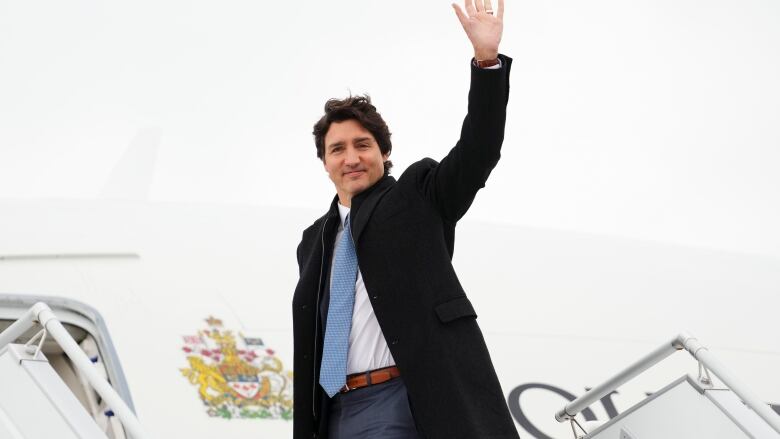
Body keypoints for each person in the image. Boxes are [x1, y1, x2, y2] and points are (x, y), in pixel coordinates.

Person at [292, 0, 518, 437]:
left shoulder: (417, 194)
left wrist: (486, 61)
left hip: (402, 396)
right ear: (324, 163)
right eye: (337, 149)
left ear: (384, 152)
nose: (351, 158)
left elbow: (479, 151)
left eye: (363, 145)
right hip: (334, 411)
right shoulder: (313, 240)